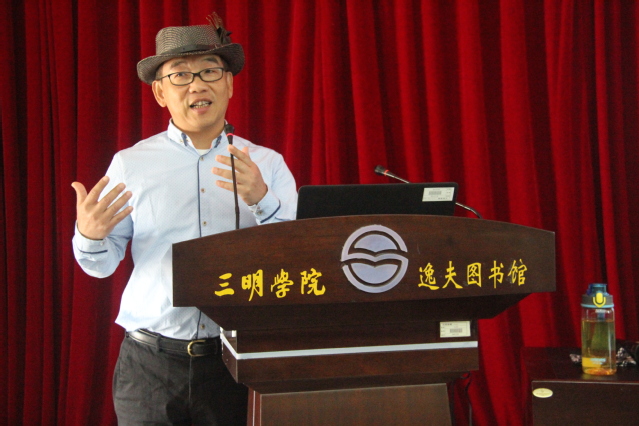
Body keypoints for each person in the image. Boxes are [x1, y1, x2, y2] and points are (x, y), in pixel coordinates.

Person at [71, 13, 297, 425]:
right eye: (180, 75)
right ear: (160, 92)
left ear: (228, 84)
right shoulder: (131, 164)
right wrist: (90, 235)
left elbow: (297, 257)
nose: (197, 84)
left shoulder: (267, 164)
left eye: (210, 71)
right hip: (150, 367)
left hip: (237, 363)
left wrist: (261, 200)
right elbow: (100, 266)